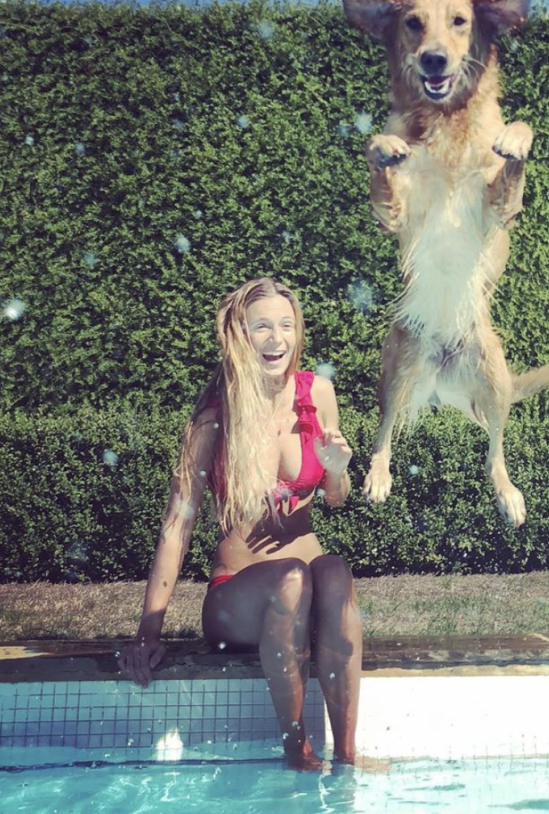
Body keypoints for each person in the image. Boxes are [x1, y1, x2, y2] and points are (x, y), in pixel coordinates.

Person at [118, 277, 361, 769]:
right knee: (291, 580)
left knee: (333, 570)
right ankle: (297, 747)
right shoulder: (216, 416)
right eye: (262, 327)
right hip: (240, 599)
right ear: (240, 336)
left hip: (312, 589)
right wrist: (149, 631)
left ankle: (349, 754)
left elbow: (335, 499)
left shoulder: (320, 394)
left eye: (286, 326)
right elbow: (177, 526)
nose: (277, 339)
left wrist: (337, 472)